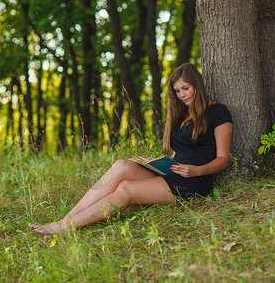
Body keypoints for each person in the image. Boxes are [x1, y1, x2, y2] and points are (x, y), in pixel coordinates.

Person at [29, 63, 233, 235]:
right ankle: (67, 218)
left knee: (126, 188)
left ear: (197, 84)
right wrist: (158, 162)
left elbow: (223, 159)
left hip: (195, 181)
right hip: (172, 171)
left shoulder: (218, 112)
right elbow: (181, 151)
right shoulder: (183, 114)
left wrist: (197, 170)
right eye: (177, 91)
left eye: (185, 89)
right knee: (121, 166)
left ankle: (67, 227)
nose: (181, 95)